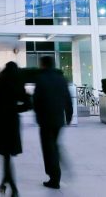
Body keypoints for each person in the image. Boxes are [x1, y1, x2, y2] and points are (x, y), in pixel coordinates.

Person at [0, 61, 31, 197]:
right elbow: (28, 104)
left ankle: (14, 188)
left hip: (0, 122)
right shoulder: (18, 83)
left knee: (5, 156)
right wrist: (15, 109)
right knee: (7, 155)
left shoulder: (1, 81)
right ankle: (4, 182)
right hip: (12, 122)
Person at [32, 56, 72, 189]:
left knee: (48, 149)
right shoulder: (61, 79)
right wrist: (69, 115)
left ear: (43, 65)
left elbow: (36, 100)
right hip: (59, 119)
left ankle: (54, 177)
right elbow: (67, 98)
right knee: (53, 145)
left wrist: (37, 114)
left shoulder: (41, 79)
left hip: (45, 119)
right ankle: (55, 174)